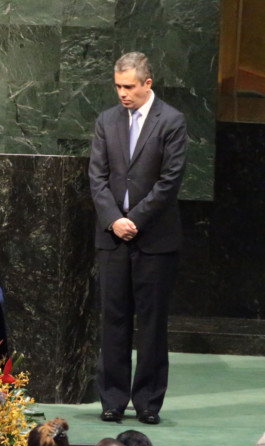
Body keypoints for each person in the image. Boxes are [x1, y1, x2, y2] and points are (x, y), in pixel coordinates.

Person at [88, 51, 187, 425]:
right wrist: (114, 219)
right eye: (117, 86)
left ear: (148, 83)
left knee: (151, 323)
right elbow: (96, 177)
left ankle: (147, 402)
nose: (122, 94)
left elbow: (170, 181)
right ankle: (112, 400)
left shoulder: (172, 121)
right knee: (112, 321)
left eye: (129, 87)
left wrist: (136, 220)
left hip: (155, 240)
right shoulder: (106, 121)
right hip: (112, 239)